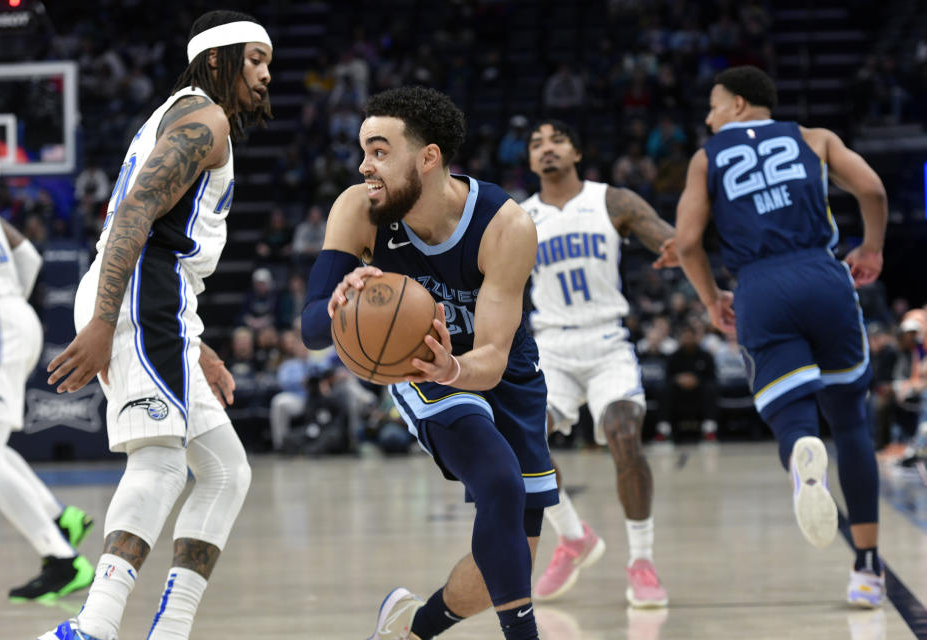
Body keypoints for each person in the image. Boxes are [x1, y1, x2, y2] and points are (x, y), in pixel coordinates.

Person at [38, 10, 272, 640]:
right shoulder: (205, 118)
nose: (266, 75)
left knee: (226, 471)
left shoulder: (188, 114)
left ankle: (169, 630)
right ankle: (93, 626)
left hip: (162, 303)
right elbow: (139, 211)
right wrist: (102, 321)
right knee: (163, 464)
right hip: (139, 293)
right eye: (255, 59)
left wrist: (198, 348)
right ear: (217, 59)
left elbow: (167, 243)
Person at [301, 86, 556, 640]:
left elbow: (490, 355)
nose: (365, 165)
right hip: (417, 367)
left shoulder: (505, 225)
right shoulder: (358, 209)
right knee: (501, 486)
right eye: (363, 151)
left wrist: (456, 369)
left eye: (379, 150)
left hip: (499, 367)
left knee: (507, 558)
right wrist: (340, 302)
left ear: (428, 156)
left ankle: (412, 630)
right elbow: (312, 329)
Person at [675, 65, 888, 607]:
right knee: (851, 419)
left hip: (761, 287)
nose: (709, 116)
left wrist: (710, 298)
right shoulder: (814, 138)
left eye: (715, 105)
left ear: (740, 105)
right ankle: (867, 568)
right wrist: (871, 248)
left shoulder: (708, 156)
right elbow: (872, 188)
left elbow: (688, 240)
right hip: (823, 274)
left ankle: (800, 455)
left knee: (792, 416)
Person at [520, 120, 676, 606]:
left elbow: (668, 239)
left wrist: (677, 248)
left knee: (624, 434)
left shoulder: (613, 201)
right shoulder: (518, 217)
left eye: (557, 141)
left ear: (577, 150)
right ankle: (573, 536)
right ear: (529, 161)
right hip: (552, 347)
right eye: (536, 145)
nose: (547, 150)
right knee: (522, 443)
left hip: (607, 341)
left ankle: (641, 560)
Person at [0, 186, 95, 601]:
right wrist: (12, 308)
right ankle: (60, 519)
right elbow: (29, 256)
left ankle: (63, 560)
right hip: (11, 317)